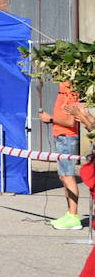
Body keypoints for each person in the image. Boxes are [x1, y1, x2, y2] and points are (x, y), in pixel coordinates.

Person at [41, 81, 95, 229]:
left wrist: (50, 119)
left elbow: (71, 122)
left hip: (67, 138)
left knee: (68, 175)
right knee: (63, 176)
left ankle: (73, 215)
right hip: (60, 137)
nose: (59, 81)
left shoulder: (71, 95)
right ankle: (70, 213)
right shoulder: (63, 94)